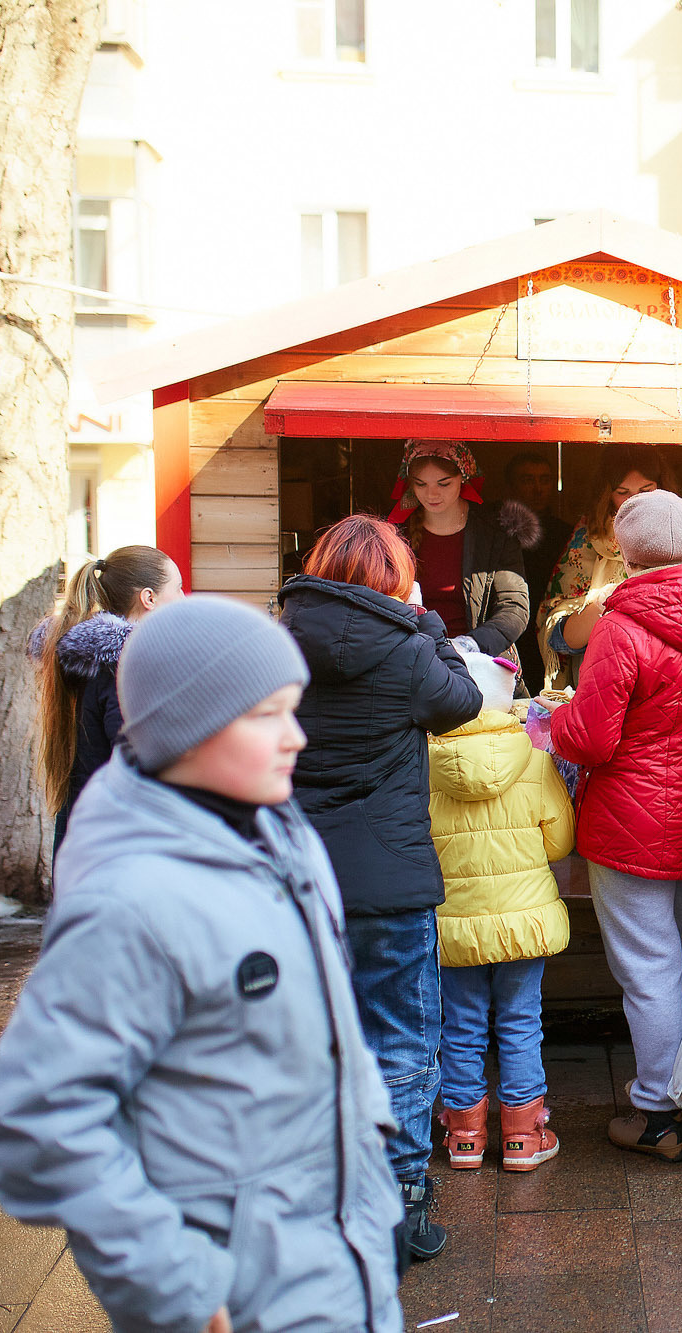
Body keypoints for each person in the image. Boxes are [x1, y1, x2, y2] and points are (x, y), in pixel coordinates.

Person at [0, 595, 404, 1333]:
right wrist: (174, 1283)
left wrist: (372, 1194)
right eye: (266, 714)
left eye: (293, 708)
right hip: (240, 1294)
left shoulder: (275, 829)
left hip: (334, 1256)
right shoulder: (131, 899)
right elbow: (40, 1120)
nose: (297, 737)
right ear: (189, 724)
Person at [278, 515, 483, 1263]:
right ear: (396, 577)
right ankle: (397, 1210)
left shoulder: (272, 645)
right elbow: (463, 701)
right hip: (391, 888)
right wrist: (426, 620)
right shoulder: (406, 649)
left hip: (297, 883)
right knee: (401, 1043)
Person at [550, 490, 682, 1162]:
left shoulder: (618, 622)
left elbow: (595, 737)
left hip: (631, 820)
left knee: (647, 969)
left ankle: (660, 1111)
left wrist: (555, 722)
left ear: (626, 551)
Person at [428, 653, 575, 1173]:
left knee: (461, 1025)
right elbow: (559, 842)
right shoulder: (534, 757)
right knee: (520, 1021)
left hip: (455, 923)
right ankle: (522, 1136)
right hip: (522, 920)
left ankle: (464, 1135)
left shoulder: (427, 761)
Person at [30, 545, 183, 851]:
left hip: (91, 833)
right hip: (121, 843)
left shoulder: (95, 662)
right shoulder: (127, 666)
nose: (183, 598)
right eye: (178, 589)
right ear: (149, 598)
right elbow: (138, 762)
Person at [538, 444, 682, 690]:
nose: (636, 500)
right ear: (606, 493)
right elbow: (560, 638)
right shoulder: (591, 536)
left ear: (663, 486)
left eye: (647, 489)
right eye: (623, 492)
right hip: (606, 674)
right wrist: (604, 603)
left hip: (677, 676)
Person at [387, 438, 532, 673]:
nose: (432, 494)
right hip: (409, 664)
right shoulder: (393, 534)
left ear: (463, 476)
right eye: (421, 484)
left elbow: (514, 607)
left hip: (479, 664)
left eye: (444, 483)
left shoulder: (496, 533)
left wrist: (469, 645)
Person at [500, 451, 578, 694]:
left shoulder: (567, 533)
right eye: (527, 480)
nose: (537, 488)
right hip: (509, 624)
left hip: (551, 626)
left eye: (544, 480)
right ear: (511, 485)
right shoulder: (496, 531)